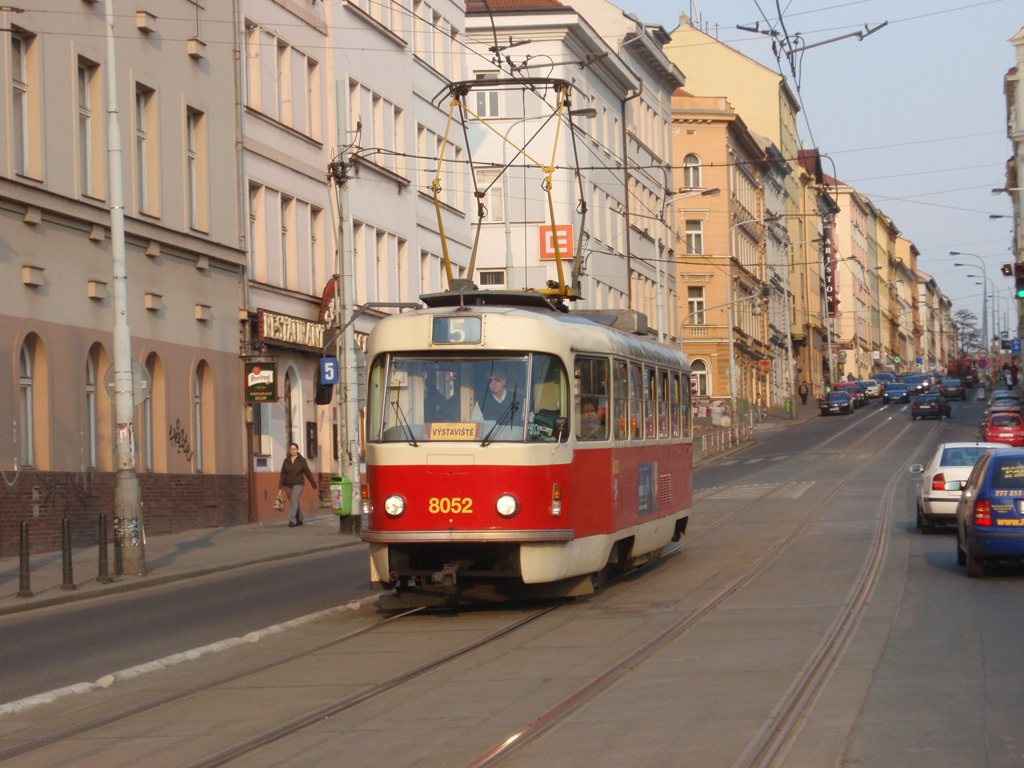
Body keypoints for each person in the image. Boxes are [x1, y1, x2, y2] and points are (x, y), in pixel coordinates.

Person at [278, 442, 317, 527]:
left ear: (297, 450)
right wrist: (280, 487)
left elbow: (307, 472)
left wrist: (313, 483)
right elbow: (283, 474)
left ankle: (292, 520)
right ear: (289, 450)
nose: (293, 451)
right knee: (293, 501)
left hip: (298, 483)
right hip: (287, 484)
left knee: (294, 499)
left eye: (294, 449)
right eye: (291, 449)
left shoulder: (301, 461)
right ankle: (300, 518)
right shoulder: (286, 461)